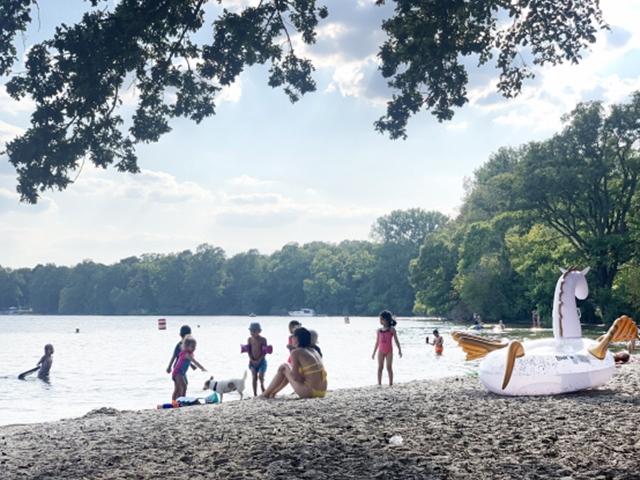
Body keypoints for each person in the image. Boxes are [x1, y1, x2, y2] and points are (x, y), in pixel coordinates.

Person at [261, 327, 327, 399]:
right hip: (322, 392)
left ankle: (265, 394)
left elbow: (295, 377)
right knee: (288, 369)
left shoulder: (296, 352)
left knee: (284, 367)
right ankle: (273, 393)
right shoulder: (314, 351)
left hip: (309, 392)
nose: (291, 338)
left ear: (296, 338)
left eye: (292, 336)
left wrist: (299, 377)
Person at [371, 310, 402, 386]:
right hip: (380, 351)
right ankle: (379, 383)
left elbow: (396, 340)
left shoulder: (392, 330)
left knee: (389, 367)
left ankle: (390, 383)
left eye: (381, 319)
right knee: (380, 367)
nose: (380, 321)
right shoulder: (379, 331)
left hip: (389, 351)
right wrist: (374, 353)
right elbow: (377, 342)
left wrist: (399, 350)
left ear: (386, 320)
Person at [172, 335, 206, 400]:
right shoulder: (186, 354)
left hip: (181, 373)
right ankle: (180, 400)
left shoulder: (188, 354)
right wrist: (202, 368)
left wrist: (192, 366)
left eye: (195, 346)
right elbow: (195, 361)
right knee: (182, 387)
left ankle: (180, 400)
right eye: (192, 347)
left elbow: (186, 362)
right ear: (186, 347)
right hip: (178, 373)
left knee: (179, 388)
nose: (194, 348)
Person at [247, 322, 268, 396]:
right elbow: (248, 350)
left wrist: (259, 360)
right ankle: (255, 394)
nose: (252, 333)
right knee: (254, 376)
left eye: (254, 331)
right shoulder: (249, 339)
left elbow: (264, 352)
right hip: (252, 362)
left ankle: (262, 387)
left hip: (261, 361)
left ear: (259, 331)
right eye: (251, 331)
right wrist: (251, 359)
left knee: (261, 376)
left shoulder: (263, 340)